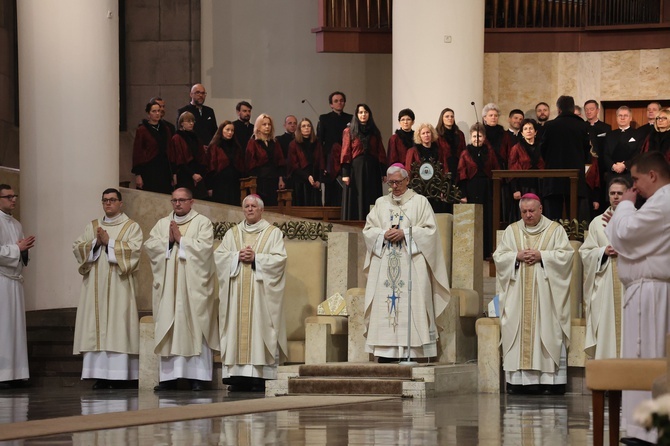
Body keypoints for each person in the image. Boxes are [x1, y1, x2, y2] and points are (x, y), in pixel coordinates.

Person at [604, 151, 670, 445]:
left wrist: (625, 208)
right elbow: (627, 239)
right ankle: (641, 429)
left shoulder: (665, 200)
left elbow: (628, 235)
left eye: (636, 180)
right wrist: (621, 220)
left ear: (653, 175)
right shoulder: (658, 201)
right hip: (644, 291)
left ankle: (648, 431)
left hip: (652, 293)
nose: (634, 188)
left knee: (648, 360)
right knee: (640, 358)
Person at [362, 164, 450, 362]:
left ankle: (413, 352)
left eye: (398, 182)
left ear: (407, 180)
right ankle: (385, 353)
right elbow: (368, 231)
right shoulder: (381, 203)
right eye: (391, 182)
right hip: (385, 266)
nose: (395, 186)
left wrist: (406, 233)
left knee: (413, 304)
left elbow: (430, 232)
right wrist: (383, 233)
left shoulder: (420, 202)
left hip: (412, 265)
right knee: (385, 304)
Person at [493, 193, 573, 395]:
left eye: (531, 211)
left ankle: (550, 382)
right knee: (517, 330)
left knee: (547, 329)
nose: (528, 215)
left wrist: (542, 256)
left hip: (546, 296)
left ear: (541, 210)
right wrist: (516, 256)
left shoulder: (555, 230)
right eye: (524, 212)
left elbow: (566, 256)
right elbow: (499, 257)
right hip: (517, 295)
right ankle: (518, 382)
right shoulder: (512, 231)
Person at [144, 188, 219, 392]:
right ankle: (169, 379)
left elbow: (205, 250)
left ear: (191, 202)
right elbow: (150, 247)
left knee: (195, 325)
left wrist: (181, 240)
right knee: (170, 325)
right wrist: (168, 241)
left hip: (193, 288)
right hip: (169, 288)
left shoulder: (201, 223)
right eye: (174, 200)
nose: (177, 204)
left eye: (182, 200)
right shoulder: (162, 224)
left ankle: (198, 378)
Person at [214, 194, 287, 391]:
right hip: (236, 292)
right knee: (235, 328)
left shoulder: (273, 233)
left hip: (261, 295)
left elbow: (280, 260)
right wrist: (237, 256)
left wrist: (257, 259)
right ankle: (236, 377)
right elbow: (219, 257)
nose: (249, 209)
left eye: (253, 206)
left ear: (261, 210)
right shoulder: (233, 233)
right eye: (246, 206)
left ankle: (259, 376)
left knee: (259, 328)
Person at [72, 188, 142, 390]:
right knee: (97, 327)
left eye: (112, 200)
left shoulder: (131, 226)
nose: (108, 203)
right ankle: (99, 375)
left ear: (121, 203)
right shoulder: (93, 226)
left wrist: (110, 243)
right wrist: (95, 242)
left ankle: (120, 375)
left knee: (118, 327)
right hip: (95, 282)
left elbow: (135, 250)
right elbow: (77, 246)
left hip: (120, 286)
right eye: (105, 200)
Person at [579, 178, 629, 360]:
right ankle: (608, 379)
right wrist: (603, 251)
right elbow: (585, 252)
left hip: (630, 287)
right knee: (607, 329)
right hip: (605, 284)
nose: (616, 197)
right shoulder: (597, 222)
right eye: (612, 193)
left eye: (620, 193)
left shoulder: (639, 219)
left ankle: (632, 379)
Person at [0, 185, 34, 389]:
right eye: (8, 196)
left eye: (15, 196)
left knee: (15, 328)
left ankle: (16, 373)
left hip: (14, 281)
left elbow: (20, 253)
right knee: (3, 327)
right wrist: (17, 248)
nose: (13, 199)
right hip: (1, 281)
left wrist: (23, 250)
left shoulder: (17, 223)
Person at [540, 95, 591, 222]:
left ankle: (553, 240)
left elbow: (542, 150)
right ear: (573, 109)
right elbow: (586, 151)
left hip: (553, 177)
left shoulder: (550, 126)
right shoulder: (582, 126)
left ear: (559, 109)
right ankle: (573, 240)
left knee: (553, 218)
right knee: (573, 217)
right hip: (575, 177)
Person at [458, 123, 499, 257]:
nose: (477, 139)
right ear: (470, 137)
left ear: (484, 137)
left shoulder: (489, 151)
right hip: (472, 187)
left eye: (480, 136)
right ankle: (473, 252)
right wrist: (463, 194)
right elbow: (461, 173)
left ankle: (487, 251)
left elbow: (495, 169)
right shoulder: (465, 152)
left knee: (487, 218)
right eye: (475, 136)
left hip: (486, 187)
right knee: (473, 218)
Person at [341, 103, 387, 220]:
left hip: (373, 169)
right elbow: (346, 151)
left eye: (365, 112)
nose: (363, 115)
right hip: (355, 169)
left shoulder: (375, 132)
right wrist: (345, 173)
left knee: (372, 196)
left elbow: (380, 152)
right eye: (360, 112)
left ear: (369, 115)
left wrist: (383, 172)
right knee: (356, 198)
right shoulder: (349, 131)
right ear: (356, 115)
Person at [317, 91, 353, 206]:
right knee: (330, 191)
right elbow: (319, 142)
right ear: (331, 104)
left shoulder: (351, 118)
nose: (339, 103)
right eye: (336, 101)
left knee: (345, 191)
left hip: (346, 159)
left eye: (341, 101)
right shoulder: (324, 118)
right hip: (330, 161)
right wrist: (323, 165)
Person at [405, 123, 449, 213]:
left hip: (435, 187)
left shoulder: (439, 150)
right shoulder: (412, 151)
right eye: (423, 133)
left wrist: (443, 187)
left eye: (428, 132)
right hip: (419, 187)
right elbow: (408, 171)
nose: (426, 135)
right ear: (419, 136)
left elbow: (444, 168)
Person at [132, 100, 174, 194]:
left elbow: (170, 150)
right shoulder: (142, 130)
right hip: (149, 169)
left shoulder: (166, 129)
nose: (157, 113)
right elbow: (137, 152)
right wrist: (138, 174)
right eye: (154, 111)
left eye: (159, 111)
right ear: (148, 114)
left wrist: (173, 173)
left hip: (164, 169)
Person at [245, 114, 286, 206]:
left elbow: (280, 162)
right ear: (258, 126)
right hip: (259, 180)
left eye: (269, 124)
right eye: (264, 124)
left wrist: (281, 179)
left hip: (273, 179)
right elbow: (250, 164)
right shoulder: (253, 142)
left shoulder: (274, 142)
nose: (267, 127)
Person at [508, 118, 545, 222]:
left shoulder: (542, 147)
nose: (528, 131)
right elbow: (512, 168)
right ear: (522, 133)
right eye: (525, 129)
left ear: (535, 132)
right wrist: (515, 189)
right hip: (523, 185)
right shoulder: (516, 148)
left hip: (539, 184)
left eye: (531, 128)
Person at [168, 111, 208, 199]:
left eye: (193, 121)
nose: (191, 123)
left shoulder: (195, 137)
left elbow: (202, 156)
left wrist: (199, 173)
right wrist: (192, 174)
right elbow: (179, 159)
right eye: (188, 121)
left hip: (198, 173)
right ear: (181, 123)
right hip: (185, 174)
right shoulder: (177, 138)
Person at [206, 120, 245, 206]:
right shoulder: (214, 146)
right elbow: (210, 167)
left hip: (234, 182)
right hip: (219, 182)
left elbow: (240, 165)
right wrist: (209, 186)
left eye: (232, 130)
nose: (230, 132)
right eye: (227, 130)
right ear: (221, 130)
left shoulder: (237, 147)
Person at [287, 118, 324, 206]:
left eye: (308, 126)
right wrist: (307, 176)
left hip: (314, 181)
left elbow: (321, 162)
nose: (306, 128)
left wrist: (319, 180)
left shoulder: (317, 143)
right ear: (299, 129)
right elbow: (293, 165)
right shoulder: (293, 144)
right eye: (303, 126)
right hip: (300, 181)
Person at [602, 106, 639, 187]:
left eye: (625, 116)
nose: (622, 118)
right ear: (616, 118)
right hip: (612, 174)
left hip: (630, 174)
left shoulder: (637, 134)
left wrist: (625, 165)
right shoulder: (610, 134)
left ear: (630, 118)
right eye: (620, 115)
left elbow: (638, 154)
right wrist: (613, 166)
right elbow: (605, 154)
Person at [435, 108, 466, 181]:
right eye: (447, 116)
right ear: (442, 119)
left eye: (452, 116)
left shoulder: (460, 134)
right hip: (444, 167)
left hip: (458, 166)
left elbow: (464, 151)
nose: (450, 118)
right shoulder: (437, 134)